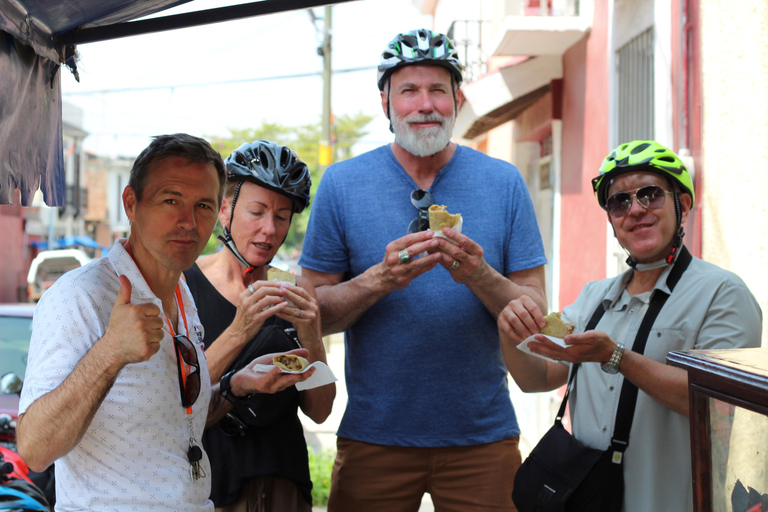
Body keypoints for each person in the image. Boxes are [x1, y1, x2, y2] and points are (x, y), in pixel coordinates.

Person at [299, 29, 548, 512]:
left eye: (437, 90)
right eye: (408, 90)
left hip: (483, 437)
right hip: (375, 437)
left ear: (457, 99)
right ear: (385, 102)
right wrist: (381, 279)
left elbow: (535, 310)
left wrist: (480, 275)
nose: (424, 104)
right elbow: (314, 315)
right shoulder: (343, 184)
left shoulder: (504, 181)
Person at [16, 133, 314, 512]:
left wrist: (236, 387)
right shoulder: (81, 294)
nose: (188, 221)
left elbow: (177, 419)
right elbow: (35, 449)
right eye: (171, 200)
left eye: (203, 205)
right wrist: (110, 353)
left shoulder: (181, 293)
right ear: (131, 203)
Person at [498, 140, 762, 512]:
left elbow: (716, 403)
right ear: (611, 220)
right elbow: (536, 378)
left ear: (682, 205)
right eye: (619, 202)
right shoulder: (593, 297)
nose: (635, 210)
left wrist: (617, 356)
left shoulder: (722, 292)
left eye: (650, 195)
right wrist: (507, 327)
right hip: (588, 498)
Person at [183, 140, 334, 512]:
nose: (269, 229)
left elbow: (320, 410)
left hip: (283, 481)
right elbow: (175, 398)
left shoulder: (296, 291)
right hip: (207, 486)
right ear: (224, 210)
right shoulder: (182, 285)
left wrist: (312, 336)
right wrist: (241, 328)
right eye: (257, 211)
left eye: (282, 217)